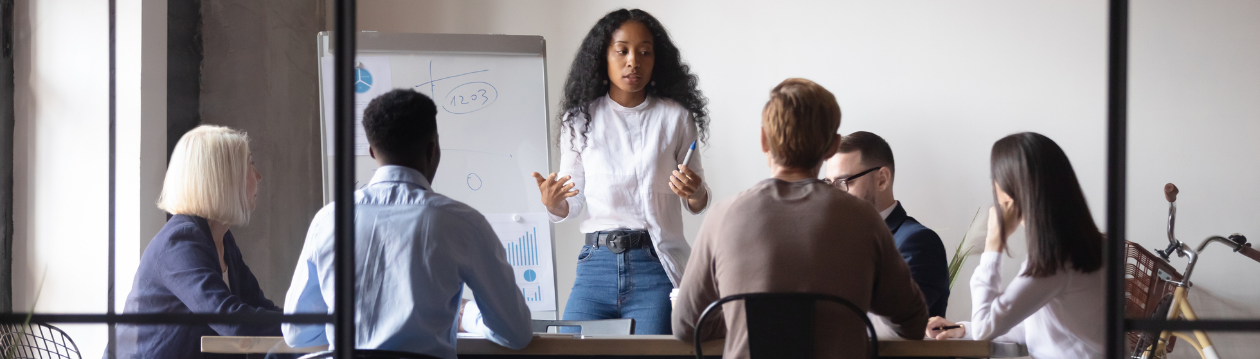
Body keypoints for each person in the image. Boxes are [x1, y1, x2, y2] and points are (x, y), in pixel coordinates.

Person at [673, 78, 928, 358]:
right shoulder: (865, 218)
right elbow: (913, 322)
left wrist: (747, 322)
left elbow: (686, 325)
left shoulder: (723, 216)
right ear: (832, 146)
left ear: (763, 139)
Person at [282, 89, 532, 357]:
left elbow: (298, 333)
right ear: (433, 148)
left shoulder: (329, 220)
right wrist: (466, 314)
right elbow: (515, 332)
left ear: (371, 152)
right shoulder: (464, 224)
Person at [532, 8, 711, 335]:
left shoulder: (675, 117)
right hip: (595, 265)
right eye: (623, 51)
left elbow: (696, 202)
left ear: (656, 60)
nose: (634, 61)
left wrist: (695, 192)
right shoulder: (579, 120)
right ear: (604, 57)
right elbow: (570, 205)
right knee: (567, 348)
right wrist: (552, 201)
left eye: (645, 52)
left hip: (653, 266)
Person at [926, 132, 1105, 358]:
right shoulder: (1081, 248)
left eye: (996, 178)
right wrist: (961, 329)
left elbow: (985, 329)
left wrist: (993, 244)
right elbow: (1035, 328)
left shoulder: (1055, 262)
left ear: (1014, 190)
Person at [112, 125, 279, 359]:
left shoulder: (222, 238)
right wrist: (316, 325)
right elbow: (233, 322)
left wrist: (318, 322)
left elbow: (258, 307)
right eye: (250, 165)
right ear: (223, 178)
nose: (258, 176)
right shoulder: (180, 242)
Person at [825, 131, 950, 317]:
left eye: (843, 182)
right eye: (829, 184)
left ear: (882, 179)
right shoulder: (832, 245)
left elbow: (897, 318)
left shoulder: (918, 242)